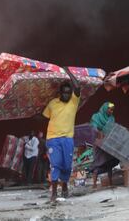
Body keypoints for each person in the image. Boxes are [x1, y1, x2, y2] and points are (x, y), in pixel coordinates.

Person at [42, 67, 80, 201]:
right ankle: (53, 192)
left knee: (67, 165)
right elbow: (44, 117)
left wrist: (68, 72)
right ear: (60, 93)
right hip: (52, 139)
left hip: (68, 139)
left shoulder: (74, 102)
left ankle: (64, 184)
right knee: (55, 164)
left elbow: (77, 87)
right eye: (64, 93)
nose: (66, 95)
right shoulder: (52, 103)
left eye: (68, 93)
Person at [89, 102, 119, 189]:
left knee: (109, 162)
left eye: (112, 110)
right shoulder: (96, 117)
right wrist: (100, 133)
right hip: (99, 143)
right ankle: (94, 184)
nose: (111, 111)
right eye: (109, 109)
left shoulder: (111, 118)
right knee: (98, 161)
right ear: (105, 108)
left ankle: (110, 182)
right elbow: (93, 127)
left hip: (109, 142)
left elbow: (113, 129)